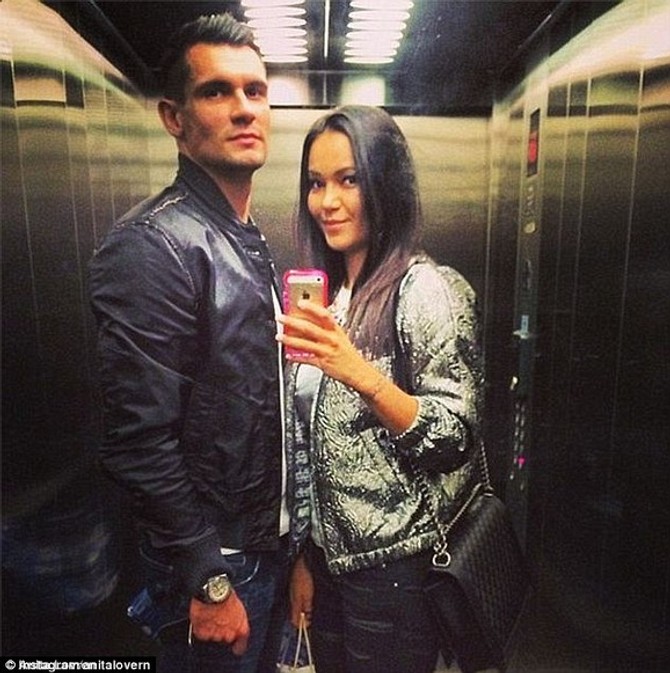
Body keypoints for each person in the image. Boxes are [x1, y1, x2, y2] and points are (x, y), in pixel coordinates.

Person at [89, 13, 288, 673]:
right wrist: (208, 577)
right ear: (174, 117)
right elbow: (138, 440)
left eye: (255, 91)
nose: (244, 108)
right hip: (214, 565)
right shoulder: (154, 245)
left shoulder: (243, 236)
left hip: (258, 548)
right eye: (216, 91)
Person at [277, 105, 486, 673]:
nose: (327, 201)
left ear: (385, 185)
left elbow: (454, 439)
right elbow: (309, 443)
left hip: (396, 573)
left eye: (349, 180)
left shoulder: (426, 290)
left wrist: (360, 374)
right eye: (316, 183)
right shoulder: (329, 296)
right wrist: (303, 556)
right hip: (327, 564)